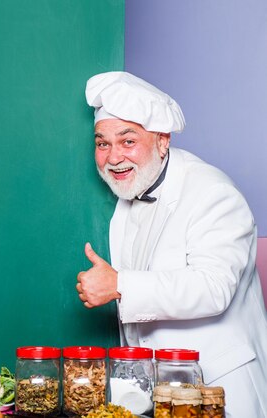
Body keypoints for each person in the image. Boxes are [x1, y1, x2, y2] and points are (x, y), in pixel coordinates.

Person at [77, 71, 267, 416]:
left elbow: (214, 287)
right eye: (102, 143)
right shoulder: (128, 195)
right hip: (158, 396)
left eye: (128, 141)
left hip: (219, 391)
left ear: (163, 140)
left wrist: (119, 285)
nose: (114, 157)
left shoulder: (213, 192)